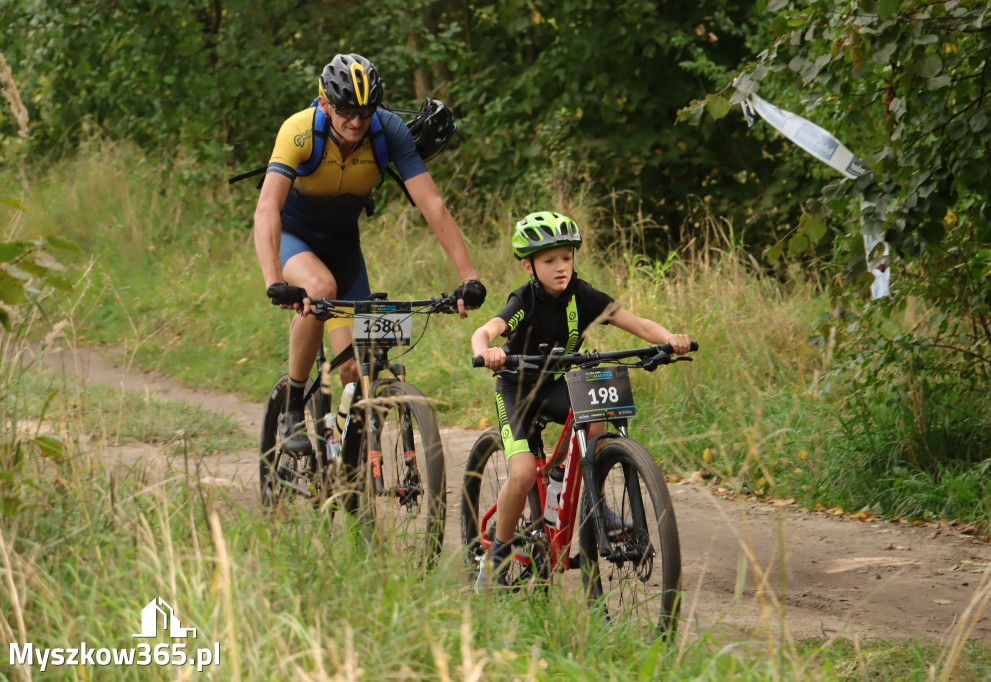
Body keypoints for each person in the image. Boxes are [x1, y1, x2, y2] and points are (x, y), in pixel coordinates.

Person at [254, 53, 486, 453]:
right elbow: (267, 209)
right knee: (320, 286)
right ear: (325, 102)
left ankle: (344, 466)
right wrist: (274, 280)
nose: (356, 122)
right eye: (345, 110)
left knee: (353, 367)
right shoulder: (299, 132)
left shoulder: (386, 131)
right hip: (296, 239)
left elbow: (433, 206)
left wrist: (469, 277)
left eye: (365, 111)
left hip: (343, 246)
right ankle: (293, 405)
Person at [470, 210, 690, 589]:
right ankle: (497, 556)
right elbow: (488, 329)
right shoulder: (525, 299)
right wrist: (486, 350)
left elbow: (637, 324)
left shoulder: (583, 295)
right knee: (522, 474)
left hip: (555, 384)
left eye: (567, 258)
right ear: (529, 265)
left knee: (596, 406)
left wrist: (669, 338)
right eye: (549, 260)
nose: (561, 268)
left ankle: (586, 492)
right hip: (517, 390)